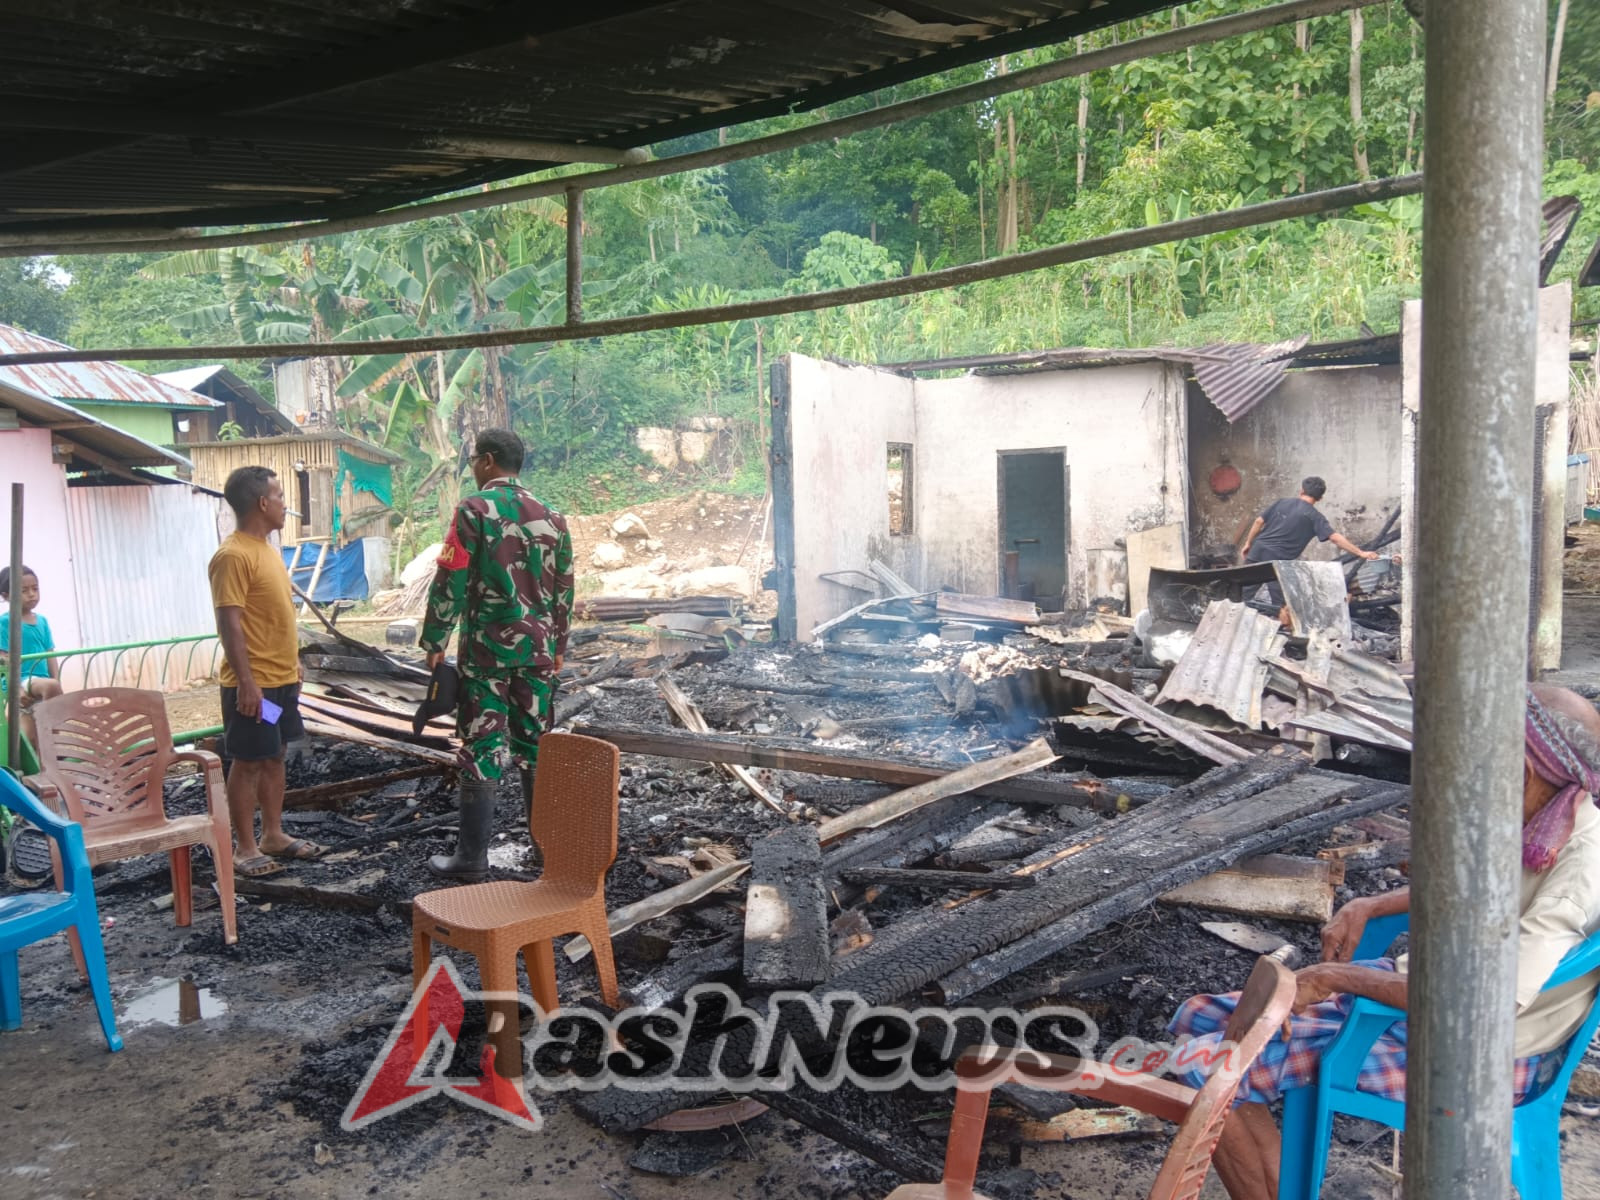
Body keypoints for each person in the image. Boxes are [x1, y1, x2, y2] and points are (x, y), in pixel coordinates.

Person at [1167, 684, 1600, 1200]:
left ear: (1523, 771)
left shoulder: (1578, 871)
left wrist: (1334, 978)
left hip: (1474, 1056)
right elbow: (1466, 883)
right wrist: (1369, 905)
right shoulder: (1545, 820)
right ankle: (1275, 1182)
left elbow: (1483, 1004)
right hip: (1427, 1005)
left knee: (1205, 1069)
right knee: (1198, 1017)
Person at [420, 428, 574, 883]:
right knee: (535, 747)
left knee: (483, 744)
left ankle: (471, 859)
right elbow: (564, 588)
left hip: (487, 651)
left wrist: (435, 638)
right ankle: (546, 855)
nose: (471, 466)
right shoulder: (553, 517)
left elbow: (451, 578)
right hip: (540, 650)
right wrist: (559, 646)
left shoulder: (473, 510)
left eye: (473, 459)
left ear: (488, 461)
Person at [208, 466, 323, 879]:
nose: (284, 504)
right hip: (253, 689)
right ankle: (245, 847)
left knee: (273, 753)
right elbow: (230, 622)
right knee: (248, 760)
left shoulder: (266, 550)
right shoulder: (232, 555)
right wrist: (247, 683)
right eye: (279, 496)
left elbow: (272, 617)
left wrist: (291, 665)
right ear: (262, 503)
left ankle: (274, 834)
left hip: (279, 686)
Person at [0, 565, 63, 751]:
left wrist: (57, 682)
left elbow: (51, 655)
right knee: (23, 746)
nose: (32, 594)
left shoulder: (42, 621)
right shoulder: (5, 622)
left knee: (33, 744)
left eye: (35, 588)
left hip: (40, 686)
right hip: (20, 682)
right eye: (24, 590)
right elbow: (3, 660)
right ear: (6, 595)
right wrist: (16, 688)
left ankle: (49, 766)